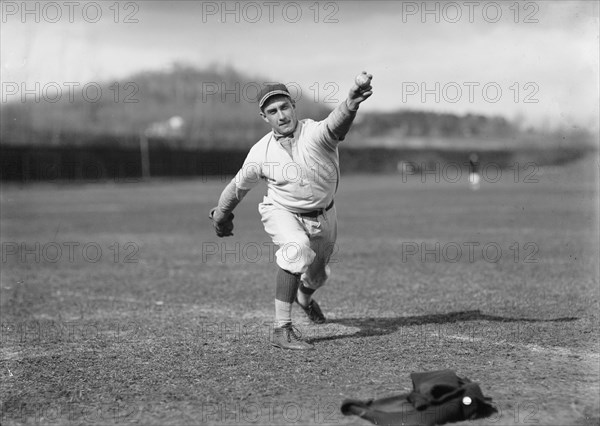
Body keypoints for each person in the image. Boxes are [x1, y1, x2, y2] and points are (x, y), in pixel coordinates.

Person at [209, 73, 373, 350]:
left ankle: (304, 299)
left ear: (293, 106)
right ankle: (281, 330)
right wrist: (221, 215)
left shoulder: (315, 134)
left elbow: (336, 124)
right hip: (282, 211)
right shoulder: (260, 152)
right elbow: (237, 188)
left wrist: (351, 103)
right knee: (296, 249)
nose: (281, 115)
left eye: (284, 107)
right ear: (264, 117)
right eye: (272, 111)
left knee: (318, 276)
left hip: (325, 215)